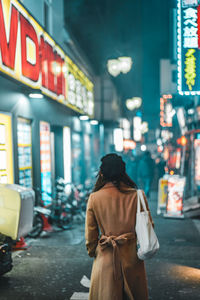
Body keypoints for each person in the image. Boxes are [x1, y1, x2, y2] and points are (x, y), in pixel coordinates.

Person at [85, 153, 154, 300]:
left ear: (102, 173)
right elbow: (149, 225)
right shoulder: (137, 195)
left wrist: (93, 251)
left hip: (106, 256)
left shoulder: (94, 198)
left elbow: (91, 233)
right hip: (132, 259)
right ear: (123, 172)